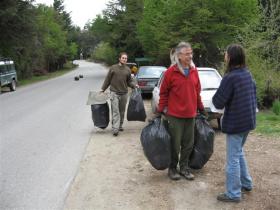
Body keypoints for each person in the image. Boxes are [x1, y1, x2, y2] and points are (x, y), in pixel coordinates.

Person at [212, 44, 257, 202]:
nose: (224, 56)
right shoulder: (247, 73)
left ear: (230, 57)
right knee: (239, 153)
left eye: (226, 54)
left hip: (236, 124)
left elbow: (218, 102)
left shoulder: (230, 77)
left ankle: (233, 194)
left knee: (232, 160)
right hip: (248, 121)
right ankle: (247, 183)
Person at [157, 42, 206, 181]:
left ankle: (184, 168)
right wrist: (161, 110)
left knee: (188, 144)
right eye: (187, 54)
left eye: (191, 53)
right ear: (179, 55)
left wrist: (201, 108)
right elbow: (163, 93)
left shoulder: (194, 71)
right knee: (174, 144)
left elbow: (197, 92)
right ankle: (172, 169)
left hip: (191, 115)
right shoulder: (170, 72)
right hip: (174, 116)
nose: (190, 56)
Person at [100, 52, 137, 136]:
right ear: (119, 59)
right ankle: (115, 128)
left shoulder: (128, 69)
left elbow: (129, 81)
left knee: (122, 111)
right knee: (115, 111)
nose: (124, 59)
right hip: (114, 93)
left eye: (126, 58)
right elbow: (107, 79)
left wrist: (134, 85)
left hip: (124, 93)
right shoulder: (113, 68)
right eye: (123, 58)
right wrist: (103, 89)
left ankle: (120, 125)